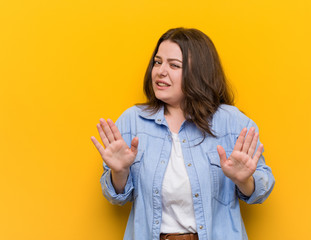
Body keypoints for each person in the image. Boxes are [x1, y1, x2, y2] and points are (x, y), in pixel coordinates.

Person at [91, 27, 275, 240]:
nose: (160, 71)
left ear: (199, 72)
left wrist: (245, 181)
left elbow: (263, 189)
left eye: (174, 65)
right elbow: (116, 198)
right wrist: (120, 172)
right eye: (158, 62)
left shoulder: (232, 123)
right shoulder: (133, 121)